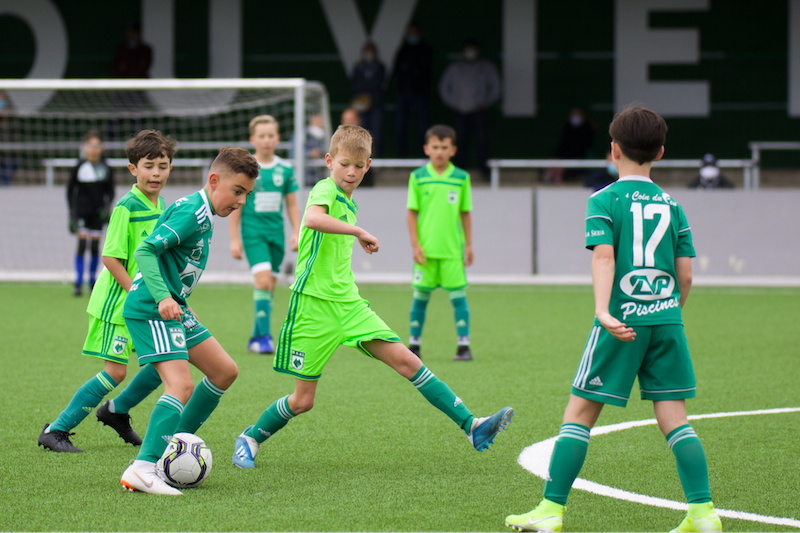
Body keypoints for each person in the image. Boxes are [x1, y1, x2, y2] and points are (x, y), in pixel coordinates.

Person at [231, 124, 513, 470]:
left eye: (358, 165)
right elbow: (313, 219)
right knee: (303, 401)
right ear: (329, 161)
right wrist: (358, 231)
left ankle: (472, 426)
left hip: (350, 305)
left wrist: (354, 230)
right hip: (312, 306)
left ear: (368, 166)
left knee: (408, 361)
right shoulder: (325, 189)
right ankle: (250, 438)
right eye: (344, 164)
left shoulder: (350, 202)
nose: (350, 172)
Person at [504, 107, 721, 533]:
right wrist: (667, 313)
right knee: (676, 420)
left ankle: (550, 510)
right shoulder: (673, 205)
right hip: (667, 321)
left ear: (614, 150)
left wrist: (604, 311)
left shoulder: (603, 200)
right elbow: (686, 276)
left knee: (579, 413)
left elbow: (604, 257)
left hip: (620, 321)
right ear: (660, 152)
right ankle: (703, 512)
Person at [120, 147, 260, 495]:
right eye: (237, 191)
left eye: (246, 194)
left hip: (174, 308)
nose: (241, 201)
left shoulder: (204, 214)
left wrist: (177, 300)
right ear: (214, 180)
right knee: (180, 385)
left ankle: (171, 443)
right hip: (151, 308)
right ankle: (143, 468)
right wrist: (163, 297)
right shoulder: (192, 212)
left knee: (224, 371)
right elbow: (144, 251)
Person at [38, 130, 175, 453]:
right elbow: (111, 258)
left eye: (163, 166)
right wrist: (138, 291)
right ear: (133, 169)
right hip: (117, 304)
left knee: (164, 363)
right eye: (149, 166)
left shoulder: (163, 205)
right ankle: (56, 430)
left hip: (145, 303)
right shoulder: (126, 207)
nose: (156, 173)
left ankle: (117, 411)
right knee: (115, 372)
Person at [230, 115, 301, 354]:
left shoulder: (285, 169)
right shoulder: (246, 169)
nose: (267, 140)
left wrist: (297, 232)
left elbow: (292, 205)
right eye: (262, 136)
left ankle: (255, 337)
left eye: (271, 135)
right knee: (262, 281)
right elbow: (236, 205)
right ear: (253, 139)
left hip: (276, 236)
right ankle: (266, 339)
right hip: (253, 234)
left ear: (277, 138)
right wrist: (235, 238)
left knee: (268, 287)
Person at [407, 125, 474, 361]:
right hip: (425, 251)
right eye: (435, 147)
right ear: (426, 149)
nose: (439, 152)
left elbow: (465, 213)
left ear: (453, 150)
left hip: (452, 251)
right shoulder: (417, 177)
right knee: (420, 299)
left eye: (444, 147)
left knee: (458, 298)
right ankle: (414, 346)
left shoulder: (461, 178)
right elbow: (412, 212)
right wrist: (415, 245)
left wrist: (468, 245)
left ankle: (463, 347)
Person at [438, 38, 500, 178]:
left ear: (478, 50)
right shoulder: (454, 67)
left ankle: (485, 172)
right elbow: (443, 87)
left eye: (473, 49)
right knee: (459, 141)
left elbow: (496, 87)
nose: (470, 52)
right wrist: (452, 103)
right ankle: (458, 173)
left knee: (482, 140)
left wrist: (486, 102)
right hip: (459, 110)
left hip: (479, 110)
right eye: (468, 49)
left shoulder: (486, 67)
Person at [67, 131, 115, 296]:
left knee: (95, 247)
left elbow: (110, 191)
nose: (93, 149)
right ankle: (78, 282)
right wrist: (72, 214)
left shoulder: (106, 168)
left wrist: (107, 209)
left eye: (97, 146)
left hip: (97, 213)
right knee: (82, 245)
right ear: (84, 147)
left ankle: (92, 283)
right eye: (90, 145)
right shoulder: (79, 167)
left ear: (101, 148)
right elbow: (70, 191)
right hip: (82, 212)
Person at [393, 22, 434, 158]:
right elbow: (398, 70)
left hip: (420, 93)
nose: (412, 35)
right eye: (410, 32)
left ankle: (425, 157)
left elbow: (425, 71)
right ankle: (401, 159)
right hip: (403, 93)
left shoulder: (426, 49)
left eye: (414, 32)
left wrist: (410, 69)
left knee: (423, 128)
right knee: (401, 127)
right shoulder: (402, 50)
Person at [350, 41, 386, 157]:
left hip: (376, 105)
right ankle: (361, 159)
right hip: (361, 106)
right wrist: (367, 90)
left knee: (376, 134)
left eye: (371, 51)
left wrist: (365, 88)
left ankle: (377, 160)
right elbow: (354, 85)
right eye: (367, 51)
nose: (369, 54)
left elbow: (379, 84)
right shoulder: (358, 67)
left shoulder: (380, 67)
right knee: (360, 133)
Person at [544, 108, 597, 183]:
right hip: (564, 158)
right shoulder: (567, 127)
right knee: (553, 161)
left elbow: (582, 148)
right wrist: (557, 157)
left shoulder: (587, 129)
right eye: (573, 115)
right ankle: (550, 177)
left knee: (561, 167)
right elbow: (563, 146)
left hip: (578, 161)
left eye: (577, 115)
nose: (575, 117)